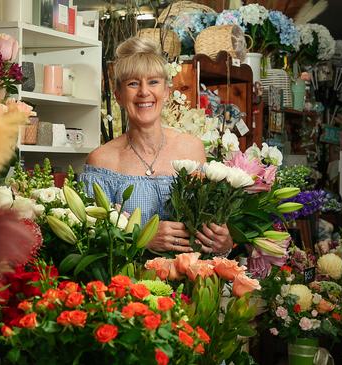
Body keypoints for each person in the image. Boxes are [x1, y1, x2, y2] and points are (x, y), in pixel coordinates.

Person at [79, 36, 233, 255]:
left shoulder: (193, 149)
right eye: (133, 83)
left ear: (167, 92)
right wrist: (143, 237)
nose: (144, 92)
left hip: (191, 283)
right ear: (119, 96)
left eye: (153, 82)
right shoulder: (102, 161)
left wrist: (224, 243)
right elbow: (91, 244)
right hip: (130, 286)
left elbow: (210, 234)